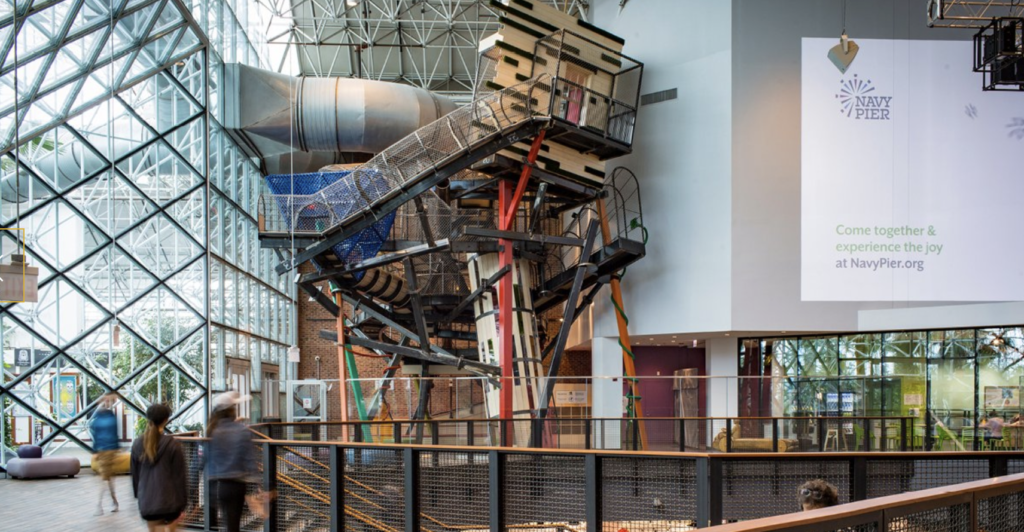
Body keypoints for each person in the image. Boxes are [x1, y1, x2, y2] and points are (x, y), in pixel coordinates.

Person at [207, 391, 262, 532]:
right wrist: (258, 484)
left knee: (226, 522)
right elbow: (249, 460)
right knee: (233, 524)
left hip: (218, 485)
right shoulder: (242, 431)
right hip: (237, 485)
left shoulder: (213, 430)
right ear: (232, 410)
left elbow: (207, 460)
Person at [131, 403, 188, 531]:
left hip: (148, 502)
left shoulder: (137, 444)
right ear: (166, 420)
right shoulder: (173, 445)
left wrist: (139, 495)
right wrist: (183, 503)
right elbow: (179, 477)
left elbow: (135, 474)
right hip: (170, 502)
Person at [90, 393, 120, 516]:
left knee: (104, 479)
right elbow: (96, 435)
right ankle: (114, 502)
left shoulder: (107, 418)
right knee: (108, 479)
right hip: (104, 450)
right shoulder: (103, 418)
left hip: (108, 451)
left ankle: (100, 505)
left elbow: (111, 433)